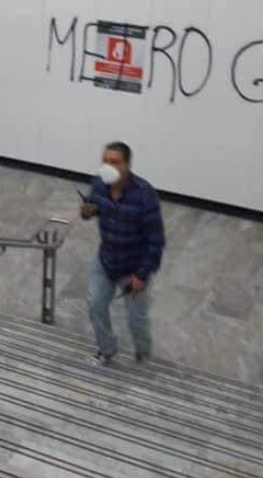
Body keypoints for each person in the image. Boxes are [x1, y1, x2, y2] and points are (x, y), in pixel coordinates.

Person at [80, 142, 165, 366]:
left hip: (133, 266)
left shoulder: (144, 195)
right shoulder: (98, 184)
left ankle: (143, 353)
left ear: (127, 165)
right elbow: (92, 207)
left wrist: (142, 274)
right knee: (95, 304)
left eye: (115, 162)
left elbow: (156, 240)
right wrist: (88, 211)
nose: (108, 166)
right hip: (106, 259)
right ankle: (106, 349)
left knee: (137, 317)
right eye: (105, 161)